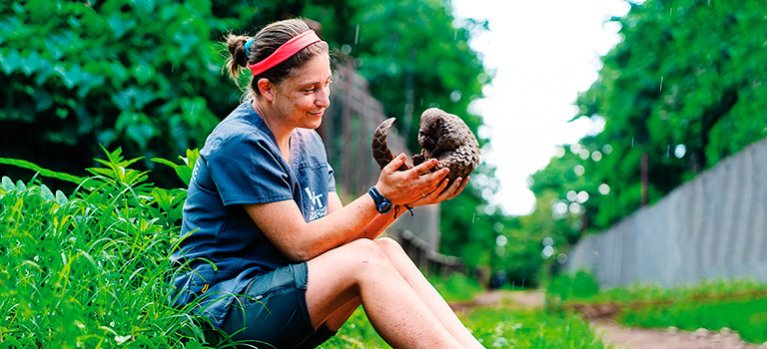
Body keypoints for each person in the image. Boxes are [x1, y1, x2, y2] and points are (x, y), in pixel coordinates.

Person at [170, 18, 484, 349]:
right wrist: (381, 195)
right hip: (216, 313)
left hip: (274, 300)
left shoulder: (307, 140)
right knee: (363, 258)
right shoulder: (241, 142)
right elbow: (300, 246)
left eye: (327, 84)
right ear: (266, 88)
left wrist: (403, 198)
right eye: (309, 90)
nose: (325, 100)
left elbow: (342, 239)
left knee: (385, 248)